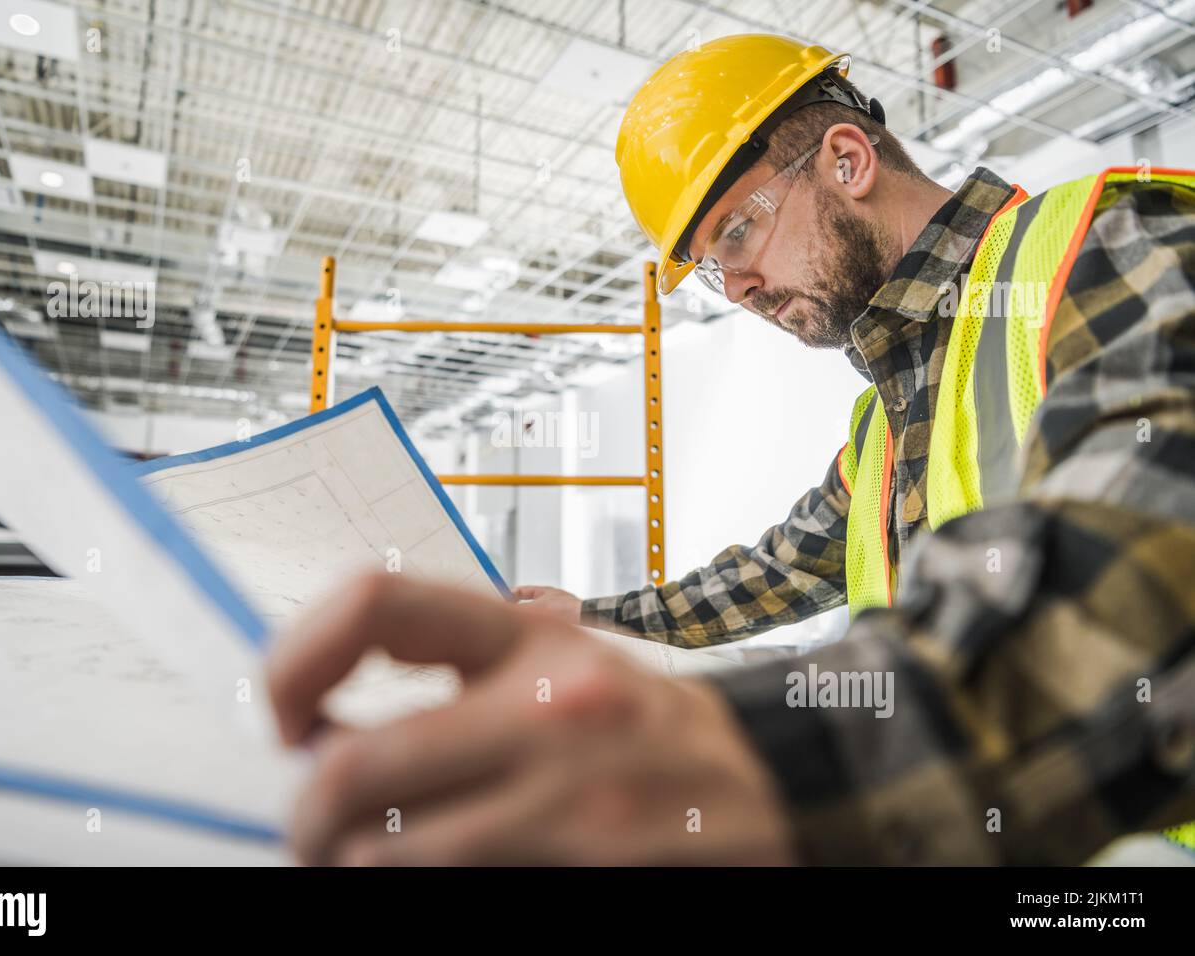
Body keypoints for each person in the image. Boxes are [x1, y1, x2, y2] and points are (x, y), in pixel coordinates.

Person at [268, 34, 1195, 864]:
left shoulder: (1102, 244)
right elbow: (777, 572)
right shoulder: (883, 421)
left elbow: (1150, 554)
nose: (741, 287)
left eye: (740, 231)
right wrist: (594, 617)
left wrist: (770, 758)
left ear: (847, 160)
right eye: (716, 267)